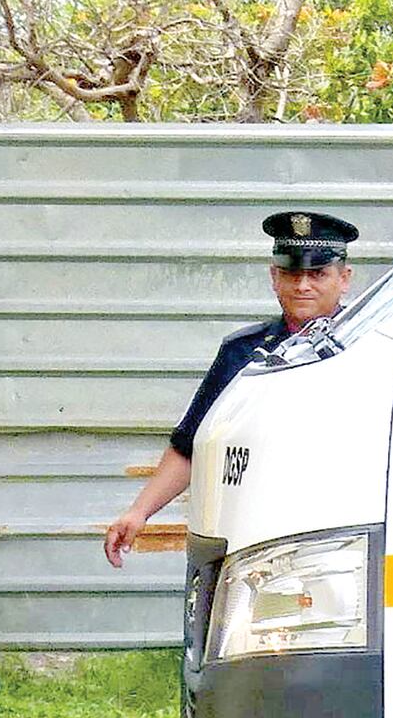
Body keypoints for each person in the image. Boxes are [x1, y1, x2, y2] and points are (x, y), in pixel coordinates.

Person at [104, 211, 356, 567]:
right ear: (274, 277)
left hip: (342, 534)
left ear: (344, 279)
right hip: (258, 537)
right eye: (292, 274)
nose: (303, 286)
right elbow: (192, 445)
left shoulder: (370, 348)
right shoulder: (243, 353)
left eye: (318, 274)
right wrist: (138, 512)